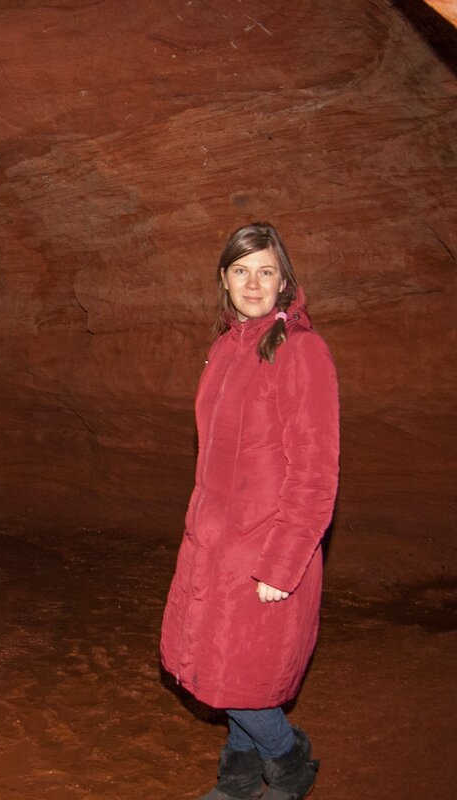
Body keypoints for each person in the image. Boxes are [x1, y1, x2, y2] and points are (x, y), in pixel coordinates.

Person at [160, 222, 340, 800]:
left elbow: (315, 472)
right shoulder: (224, 348)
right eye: (242, 271)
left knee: (242, 680)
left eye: (266, 270)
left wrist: (281, 565)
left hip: (266, 551)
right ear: (224, 280)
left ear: (284, 279)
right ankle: (240, 775)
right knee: (213, 668)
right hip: (213, 547)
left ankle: (288, 761)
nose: (254, 283)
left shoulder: (301, 351)